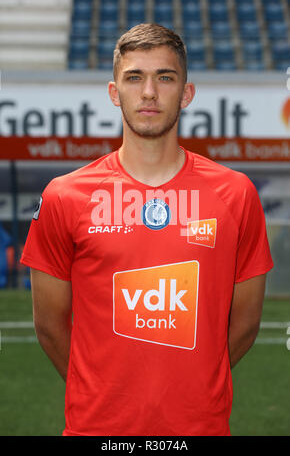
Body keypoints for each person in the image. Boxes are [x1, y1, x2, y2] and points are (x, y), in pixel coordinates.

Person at [20, 23, 273, 436]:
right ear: (114, 92)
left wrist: (193, 385)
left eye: (165, 77)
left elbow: (244, 324)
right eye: (135, 77)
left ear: (186, 93)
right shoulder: (66, 196)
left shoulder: (235, 194)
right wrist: (103, 391)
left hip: (198, 430)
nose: (150, 92)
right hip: (97, 430)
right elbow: (49, 323)